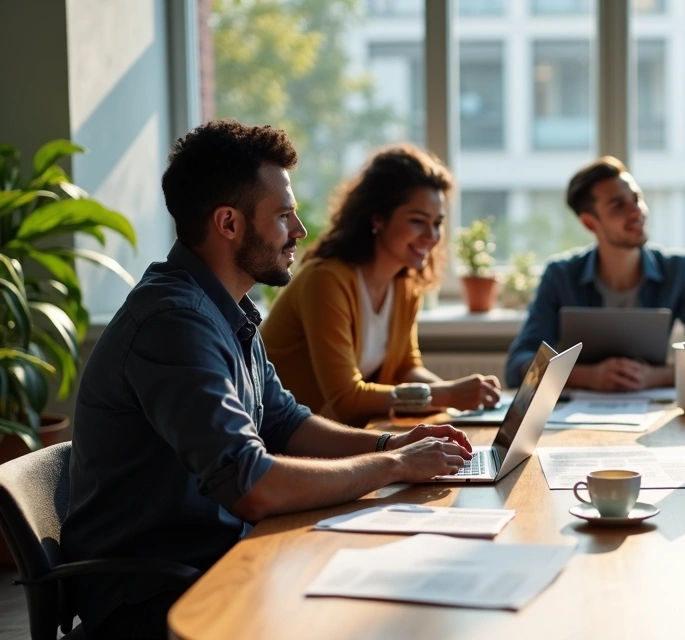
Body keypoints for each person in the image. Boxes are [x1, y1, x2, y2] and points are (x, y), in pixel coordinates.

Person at [62, 121, 474, 638]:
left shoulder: (226, 309)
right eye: (283, 215)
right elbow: (250, 484)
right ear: (229, 223)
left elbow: (285, 422)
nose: (300, 229)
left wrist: (395, 442)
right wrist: (391, 463)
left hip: (226, 555)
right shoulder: (172, 322)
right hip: (156, 596)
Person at [260, 144, 500, 425]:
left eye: (437, 223)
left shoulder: (406, 284)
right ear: (378, 218)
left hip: (337, 435)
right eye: (418, 221)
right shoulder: (325, 280)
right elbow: (347, 399)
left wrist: (466, 399)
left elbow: (406, 369)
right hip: (282, 440)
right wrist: (447, 394)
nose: (432, 236)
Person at [504, 156, 685, 390]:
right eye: (618, 205)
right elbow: (518, 364)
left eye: (636, 199)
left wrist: (653, 376)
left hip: (653, 411)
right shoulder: (560, 275)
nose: (636, 212)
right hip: (578, 415)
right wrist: (587, 376)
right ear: (590, 223)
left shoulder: (679, 270)